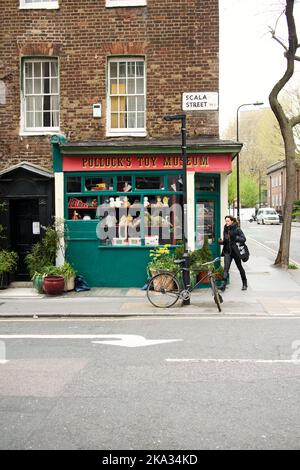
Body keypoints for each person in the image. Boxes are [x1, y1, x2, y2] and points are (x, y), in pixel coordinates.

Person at [218, 215, 248, 291]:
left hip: (236, 251)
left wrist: (235, 237)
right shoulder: (225, 228)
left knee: (239, 267)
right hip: (227, 251)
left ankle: (244, 283)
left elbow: (244, 239)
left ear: (232, 221)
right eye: (226, 221)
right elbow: (226, 240)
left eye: (228, 221)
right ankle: (223, 285)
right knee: (226, 268)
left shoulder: (237, 229)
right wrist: (221, 242)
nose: (226, 222)